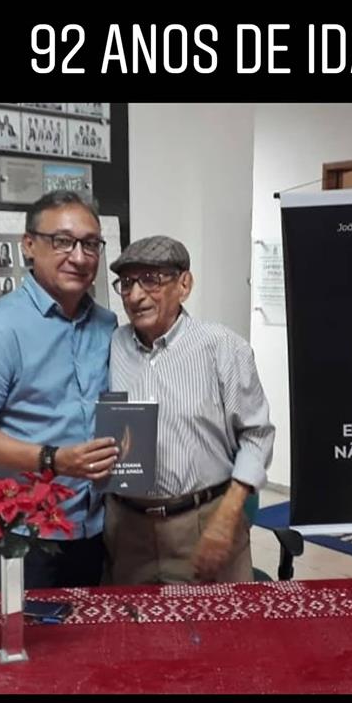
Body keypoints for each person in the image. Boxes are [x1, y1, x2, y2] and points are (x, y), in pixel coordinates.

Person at [0, 191, 119, 590]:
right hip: (24, 539)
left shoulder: (108, 326)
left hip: (94, 530)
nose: (79, 257)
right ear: (29, 245)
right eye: (62, 241)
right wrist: (51, 459)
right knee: (20, 648)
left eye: (90, 244)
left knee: (89, 648)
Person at [104, 235, 275, 586]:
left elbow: (257, 436)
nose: (136, 296)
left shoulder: (223, 348)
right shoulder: (113, 345)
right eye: (126, 284)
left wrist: (229, 515)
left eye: (151, 280)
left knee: (219, 633)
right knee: (136, 636)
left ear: (184, 284)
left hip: (205, 522)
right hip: (128, 528)